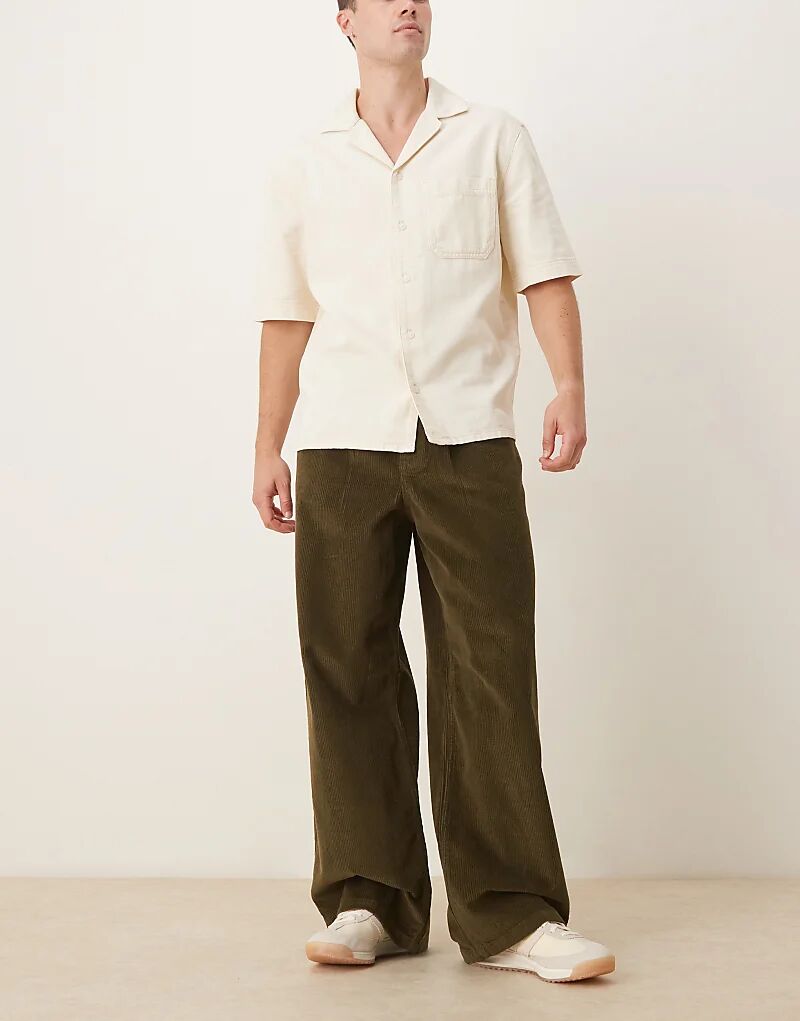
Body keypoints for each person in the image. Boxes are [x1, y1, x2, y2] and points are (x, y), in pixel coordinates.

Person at [251, 0, 615, 982]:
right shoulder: (304, 163)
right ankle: (368, 897)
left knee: (489, 665)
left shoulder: (491, 138)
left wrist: (568, 386)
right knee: (347, 665)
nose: (406, 4)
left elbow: (543, 274)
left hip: (469, 437)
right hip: (341, 443)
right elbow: (286, 314)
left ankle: (513, 914)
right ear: (344, 20)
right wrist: (267, 444)